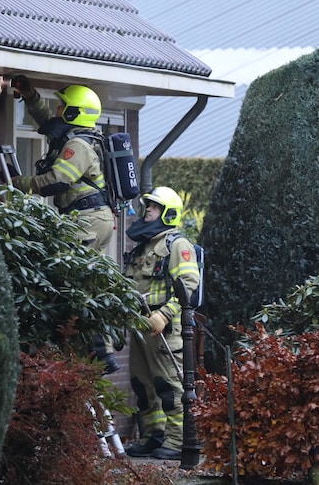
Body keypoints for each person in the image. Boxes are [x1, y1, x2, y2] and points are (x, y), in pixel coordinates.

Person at [122, 187, 200, 461]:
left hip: (164, 328)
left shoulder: (177, 245)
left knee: (169, 385)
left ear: (168, 213)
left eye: (154, 207)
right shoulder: (142, 247)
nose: (148, 211)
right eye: (148, 206)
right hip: (140, 326)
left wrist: (165, 314)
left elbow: (189, 286)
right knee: (143, 385)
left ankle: (177, 441)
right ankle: (153, 436)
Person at [10, 75, 115, 252]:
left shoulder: (77, 145)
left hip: (87, 219)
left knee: (70, 268)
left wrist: (16, 183)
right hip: (92, 217)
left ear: (73, 112)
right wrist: (30, 96)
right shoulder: (78, 135)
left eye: (62, 106)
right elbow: (47, 120)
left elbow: (55, 181)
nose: (58, 109)